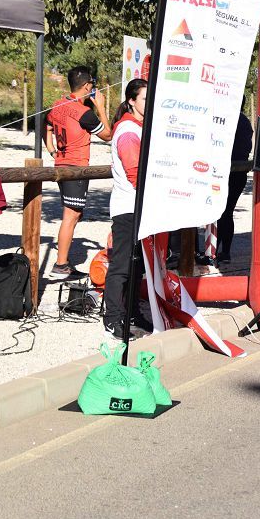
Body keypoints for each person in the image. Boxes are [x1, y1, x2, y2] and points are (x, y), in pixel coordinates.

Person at [46, 66, 113, 279]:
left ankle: (62, 262)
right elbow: (108, 135)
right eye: (92, 85)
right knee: (71, 216)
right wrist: (101, 107)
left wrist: (52, 150)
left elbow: (46, 125)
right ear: (87, 86)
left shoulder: (58, 105)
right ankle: (61, 264)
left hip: (61, 164)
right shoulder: (84, 114)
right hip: (76, 167)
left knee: (74, 213)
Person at [104, 79, 150, 339]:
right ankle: (112, 319)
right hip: (127, 208)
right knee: (121, 266)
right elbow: (136, 175)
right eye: (144, 98)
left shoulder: (141, 127)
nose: (148, 103)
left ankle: (132, 312)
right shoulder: (128, 131)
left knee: (136, 266)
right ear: (132, 101)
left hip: (140, 208)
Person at [216, 110, 254, 265]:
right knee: (228, 212)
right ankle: (225, 252)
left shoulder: (223, 118)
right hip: (239, 172)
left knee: (218, 213)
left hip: (222, 171)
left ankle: (213, 251)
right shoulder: (245, 122)